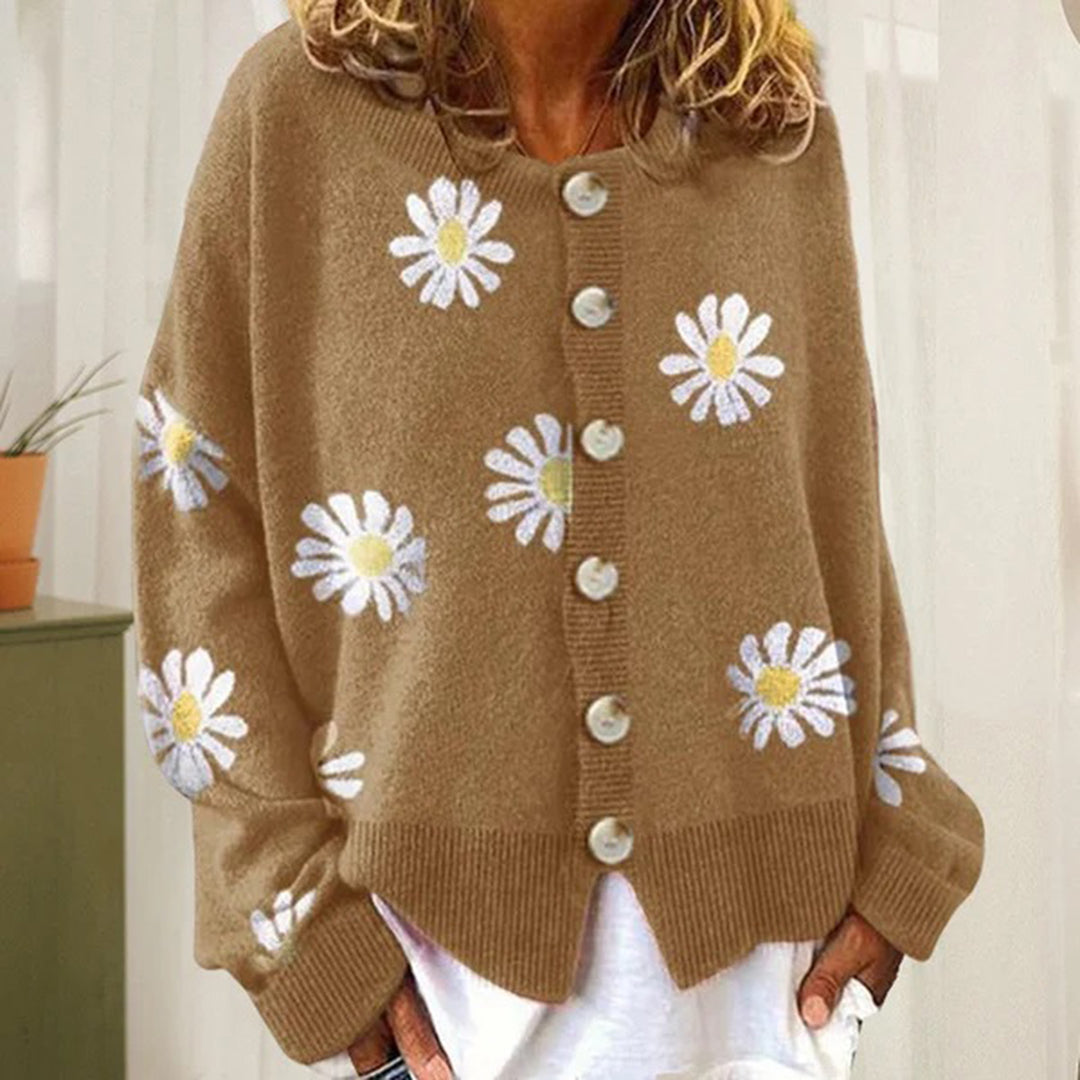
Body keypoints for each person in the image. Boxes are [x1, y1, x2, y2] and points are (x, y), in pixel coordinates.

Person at [130, 2, 986, 1079]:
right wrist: (291, 916)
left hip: (757, 989)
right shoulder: (296, 115)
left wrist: (903, 836)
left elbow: (835, 506)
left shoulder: (768, 118)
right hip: (444, 984)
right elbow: (195, 507)